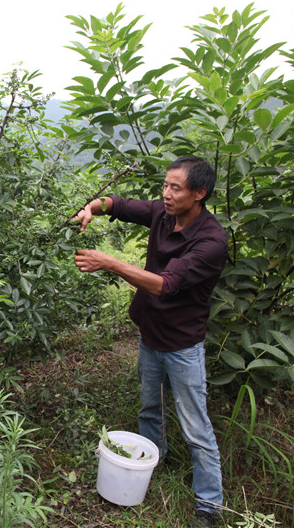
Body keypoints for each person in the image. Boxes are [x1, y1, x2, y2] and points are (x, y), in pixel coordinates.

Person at [72, 156, 227, 528]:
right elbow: (118, 205)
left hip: (182, 345)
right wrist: (90, 207)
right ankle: (149, 464)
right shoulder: (163, 213)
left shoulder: (211, 241)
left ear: (199, 193)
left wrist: (109, 262)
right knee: (149, 409)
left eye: (176, 188)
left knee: (196, 426)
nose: (167, 193)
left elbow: (165, 286)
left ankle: (209, 505)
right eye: (165, 185)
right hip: (150, 333)